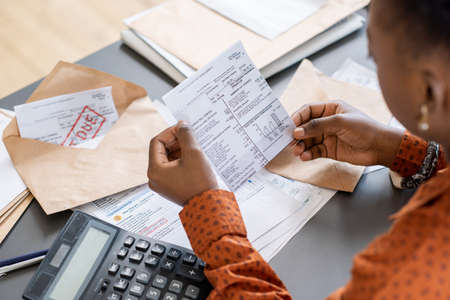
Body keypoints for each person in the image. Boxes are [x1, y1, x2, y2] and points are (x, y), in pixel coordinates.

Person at [147, 0, 450, 298]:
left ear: (430, 91)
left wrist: (208, 214)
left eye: (376, 58)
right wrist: (410, 151)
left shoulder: (416, 268)